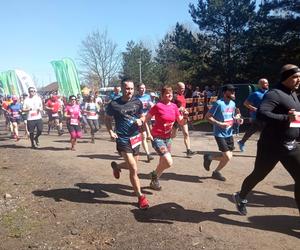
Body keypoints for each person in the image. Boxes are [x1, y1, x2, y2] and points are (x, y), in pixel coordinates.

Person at [233, 64, 300, 216]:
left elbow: (294, 119)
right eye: (295, 77)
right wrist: (285, 117)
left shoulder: (292, 94)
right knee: (258, 174)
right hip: (271, 146)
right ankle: (241, 196)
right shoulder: (274, 94)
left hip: (291, 145)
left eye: (299, 77)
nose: (298, 80)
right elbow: (263, 113)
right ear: (285, 77)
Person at [105, 78, 149, 210]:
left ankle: (117, 166)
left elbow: (142, 116)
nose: (129, 91)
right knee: (134, 168)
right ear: (121, 89)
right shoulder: (114, 104)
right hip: (122, 138)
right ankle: (141, 197)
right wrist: (110, 131)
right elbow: (107, 119)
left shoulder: (137, 102)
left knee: (132, 165)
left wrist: (141, 120)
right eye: (126, 88)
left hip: (135, 138)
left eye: (131, 88)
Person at [144, 85, 188, 191]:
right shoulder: (157, 106)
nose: (169, 95)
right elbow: (146, 119)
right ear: (162, 95)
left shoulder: (174, 107)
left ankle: (154, 182)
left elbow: (181, 122)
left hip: (168, 139)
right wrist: (148, 133)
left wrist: (186, 116)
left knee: (162, 163)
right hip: (157, 138)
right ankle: (154, 174)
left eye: (171, 93)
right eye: (167, 93)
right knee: (168, 162)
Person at [203, 84, 243, 181]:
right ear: (225, 93)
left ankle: (214, 169)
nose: (233, 92)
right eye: (231, 90)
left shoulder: (233, 103)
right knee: (228, 156)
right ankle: (209, 158)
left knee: (229, 156)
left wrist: (238, 119)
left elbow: (236, 114)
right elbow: (207, 117)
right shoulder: (218, 103)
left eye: (234, 90)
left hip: (229, 133)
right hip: (219, 133)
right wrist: (219, 123)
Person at [237, 78, 269, 151]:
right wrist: (255, 109)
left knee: (252, 130)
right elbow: (245, 103)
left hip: (266, 116)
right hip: (257, 117)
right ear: (260, 85)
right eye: (265, 83)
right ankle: (266, 148)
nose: (267, 84)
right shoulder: (255, 94)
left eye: (267, 83)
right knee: (267, 132)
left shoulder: (268, 93)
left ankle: (241, 142)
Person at [171, 82, 195, 157]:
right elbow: (170, 108)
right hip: (176, 118)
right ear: (177, 88)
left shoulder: (182, 95)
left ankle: (188, 150)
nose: (183, 90)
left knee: (186, 133)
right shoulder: (174, 96)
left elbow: (183, 106)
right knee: (173, 135)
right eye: (181, 88)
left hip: (183, 117)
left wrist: (184, 110)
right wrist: (179, 109)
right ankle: (166, 147)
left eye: (184, 88)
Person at [136, 83, 154, 163]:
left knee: (148, 134)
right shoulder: (135, 98)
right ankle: (148, 154)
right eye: (141, 88)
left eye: (144, 88)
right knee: (144, 136)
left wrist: (151, 105)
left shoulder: (148, 97)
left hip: (148, 117)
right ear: (138, 89)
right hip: (139, 119)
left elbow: (150, 106)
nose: (142, 89)